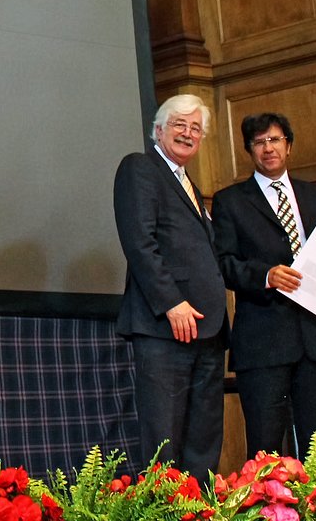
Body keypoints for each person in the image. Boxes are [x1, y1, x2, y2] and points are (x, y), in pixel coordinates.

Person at [211, 112, 316, 460]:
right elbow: (223, 263)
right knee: (266, 448)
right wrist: (265, 276)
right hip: (263, 341)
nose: (268, 148)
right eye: (259, 142)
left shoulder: (315, 196)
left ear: (288, 146)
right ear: (249, 150)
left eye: (275, 140)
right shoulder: (231, 201)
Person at [113, 94, 229, 483]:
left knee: (203, 443)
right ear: (158, 129)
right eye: (180, 124)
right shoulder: (141, 168)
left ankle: (199, 509)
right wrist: (172, 302)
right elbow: (140, 243)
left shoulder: (191, 185)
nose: (188, 133)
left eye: (196, 128)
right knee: (164, 444)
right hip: (165, 329)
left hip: (207, 332)